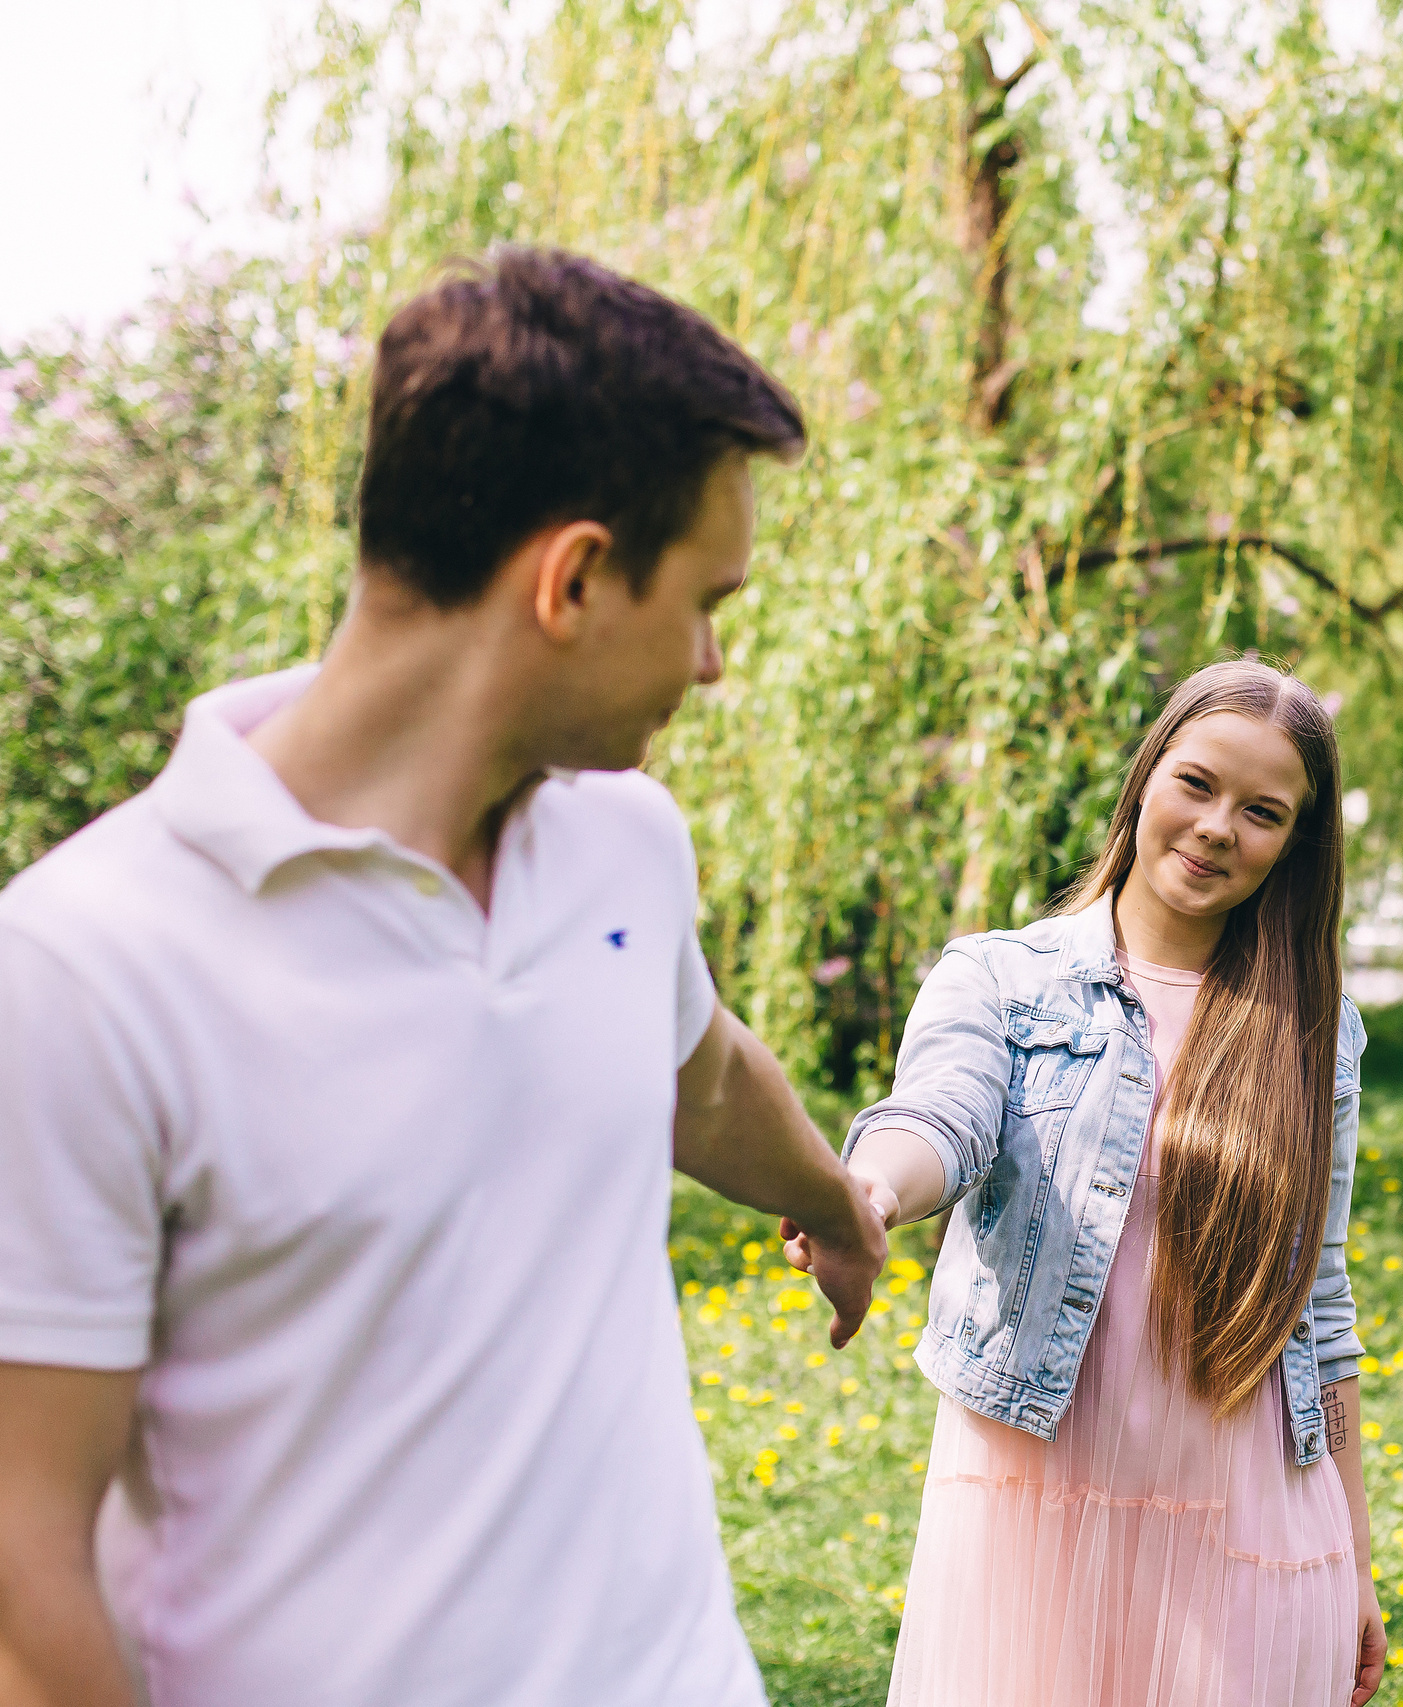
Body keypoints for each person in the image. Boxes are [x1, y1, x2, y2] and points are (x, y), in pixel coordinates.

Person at [0, 248, 888, 1707]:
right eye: (707, 601)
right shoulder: (85, 971)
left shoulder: (625, 843)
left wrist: (826, 1196)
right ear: (577, 577)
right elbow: (26, 1585)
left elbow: (702, 1070)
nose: (717, 662)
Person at [821, 657, 1385, 1706]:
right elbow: (941, 1116)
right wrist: (870, 1197)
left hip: (1247, 1511)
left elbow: (1323, 1300)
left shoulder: (1314, 1032)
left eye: (1263, 812)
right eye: (1198, 784)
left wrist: (1354, 1550)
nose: (1219, 827)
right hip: (1036, 1497)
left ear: (1294, 848)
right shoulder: (999, 978)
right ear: (1146, 782)